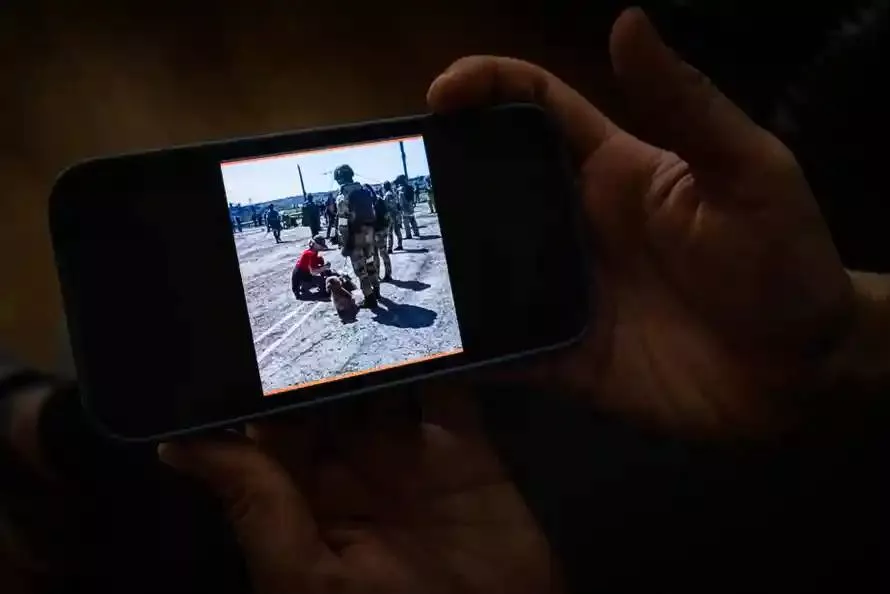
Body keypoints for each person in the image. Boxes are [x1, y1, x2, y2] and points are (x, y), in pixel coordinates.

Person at [5, 9, 890, 594]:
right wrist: (844, 337)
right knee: (227, 427)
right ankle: (50, 438)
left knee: (227, 441)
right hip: (716, 412)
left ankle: (45, 441)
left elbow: (369, 220)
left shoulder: (363, 199)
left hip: (678, 480)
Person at [334, 164, 380, 307]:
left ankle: (369, 298)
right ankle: (376, 289)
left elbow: (343, 223)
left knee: (360, 268)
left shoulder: (343, 197)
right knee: (370, 262)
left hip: (355, 237)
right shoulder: (363, 191)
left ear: (340, 179)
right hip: (368, 233)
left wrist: (345, 242)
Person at [371, 185, 393, 281]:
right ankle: (388, 274)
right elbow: (387, 214)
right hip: (382, 230)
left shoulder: (368, 202)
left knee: (375, 254)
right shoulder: (380, 199)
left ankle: (377, 275)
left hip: (374, 231)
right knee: (383, 253)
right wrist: (387, 228)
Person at [383, 180, 403, 252]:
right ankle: (400, 245)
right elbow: (397, 204)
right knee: (397, 230)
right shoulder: (393, 193)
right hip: (396, 214)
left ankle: (389, 248)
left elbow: (389, 205)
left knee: (390, 232)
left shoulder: (387, 195)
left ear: (385, 187)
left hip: (391, 215)